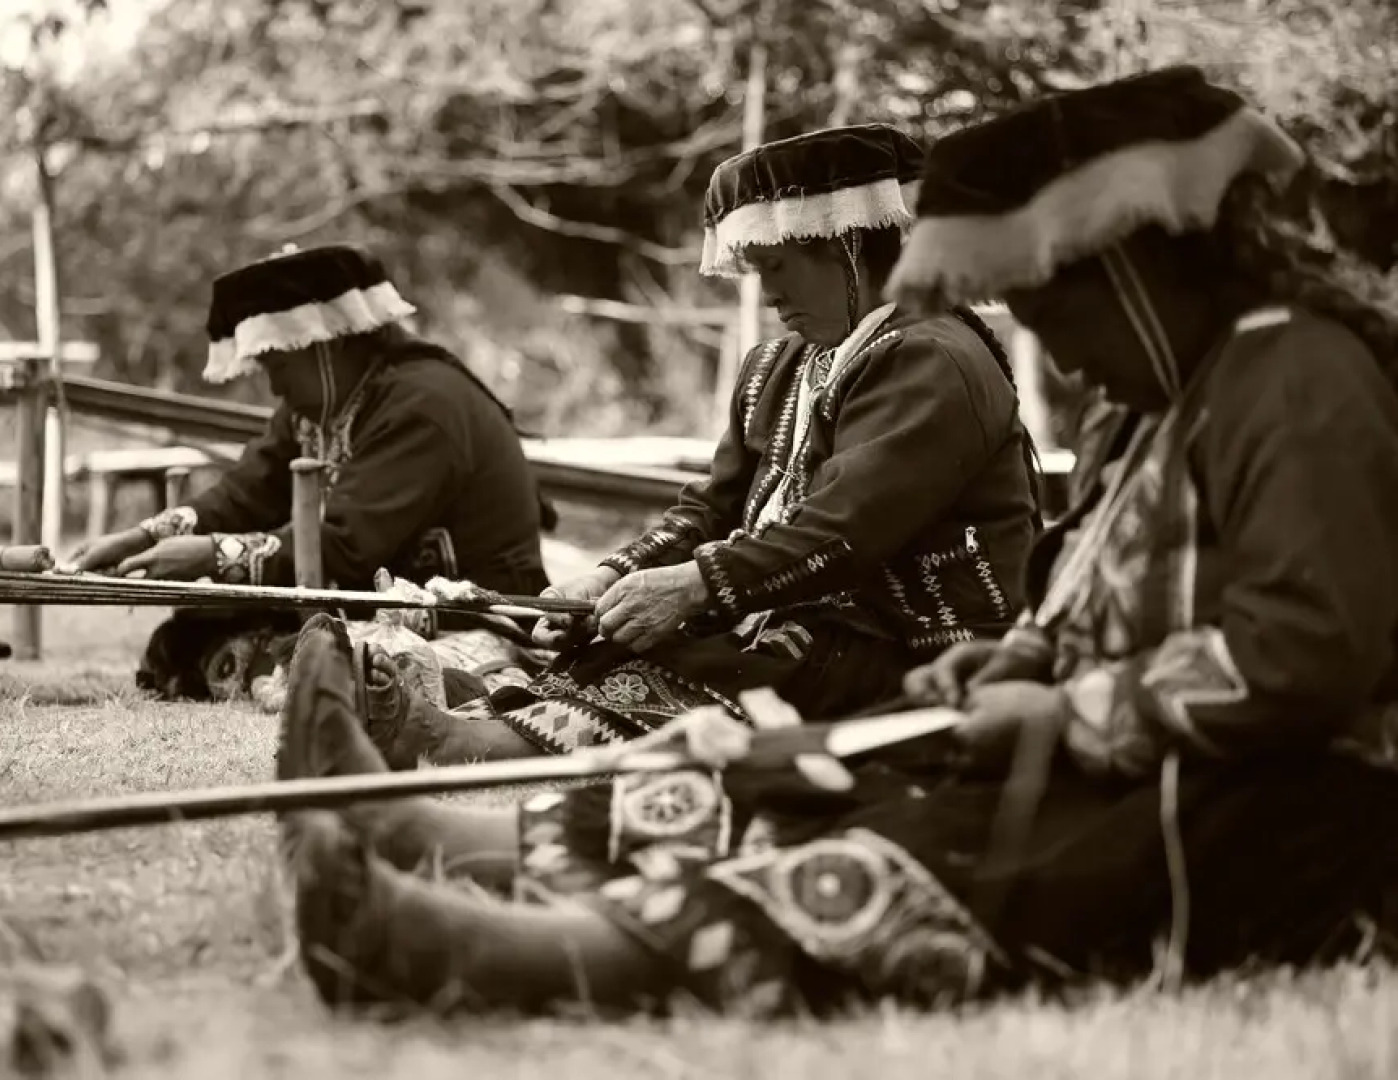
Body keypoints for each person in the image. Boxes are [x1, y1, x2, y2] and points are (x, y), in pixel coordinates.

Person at [269, 67, 1398, 1015]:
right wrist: (1009, 669)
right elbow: (1071, 606)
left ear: (1135, 266)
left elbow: (1303, 654)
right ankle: (453, 842)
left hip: (1300, 804)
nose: (1053, 363)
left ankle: (497, 957)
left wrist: (1061, 712)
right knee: (821, 768)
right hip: (1101, 736)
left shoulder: (1294, 382)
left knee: (948, 832)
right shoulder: (1152, 403)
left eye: (1063, 322)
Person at [354, 123, 1043, 765]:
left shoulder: (934, 358)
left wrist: (697, 588)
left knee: (741, 651)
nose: (768, 294)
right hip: (807, 619)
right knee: (637, 630)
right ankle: (478, 713)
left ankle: (465, 739)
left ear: (845, 247)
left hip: (915, 646)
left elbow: (843, 532)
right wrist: (612, 577)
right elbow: (710, 513)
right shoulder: (779, 367)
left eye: (776, 265)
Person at [59, 244, 553, 702]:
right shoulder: (318, 408)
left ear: (325, 343)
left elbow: (347, 544)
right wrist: (144, 536)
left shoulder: (423, 405)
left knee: (340, 663)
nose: (271, 381)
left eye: (275, 359)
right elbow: (248, 491)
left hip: (472, 619)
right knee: (186, 637)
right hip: (375, 601)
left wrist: (214, 554)